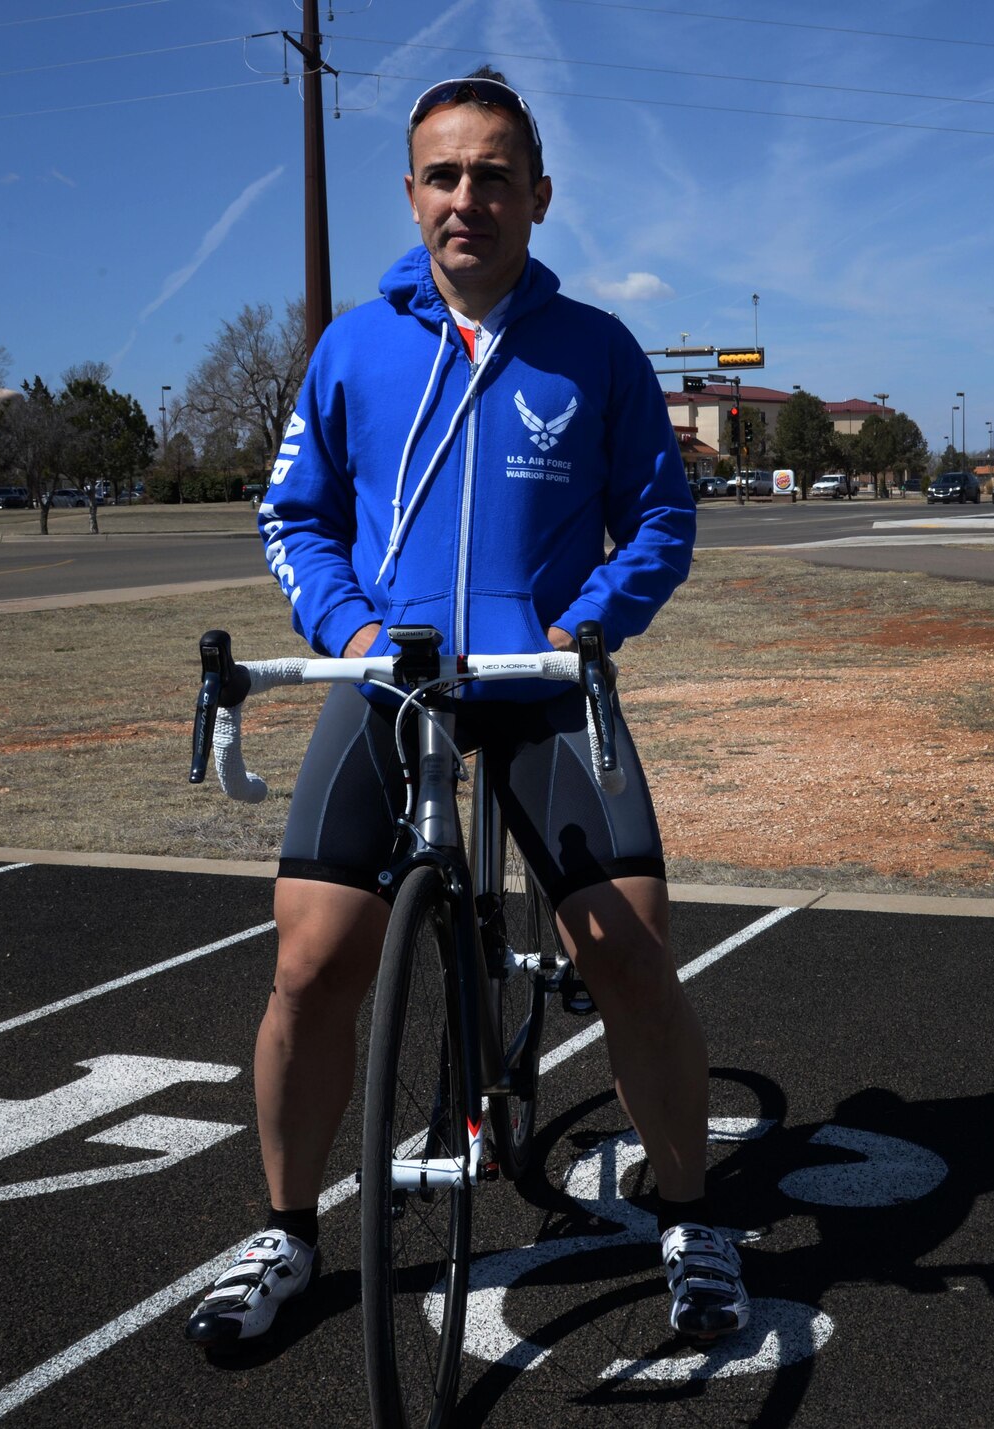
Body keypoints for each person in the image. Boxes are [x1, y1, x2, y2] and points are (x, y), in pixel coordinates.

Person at [185, 67, 746, 1347]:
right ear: (411, 192)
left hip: (542, 683)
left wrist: (584, 624)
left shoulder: (594, 345)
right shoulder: (353, 343)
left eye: (494, 174)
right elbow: (294, 516)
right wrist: (355, 631)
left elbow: (659, 517)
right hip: (392, 681)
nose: (468, 198)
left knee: (627, 948)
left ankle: (688, 1212)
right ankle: (284, 1228)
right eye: (443, 174)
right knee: (313, 957)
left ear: (537, 195)